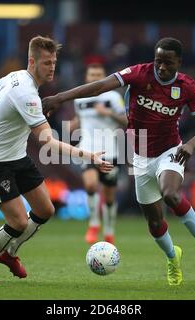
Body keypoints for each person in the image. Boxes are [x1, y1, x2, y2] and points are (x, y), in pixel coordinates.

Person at [43, 37, 195, 286]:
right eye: (158, 61)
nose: (161, 67)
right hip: (140, 156)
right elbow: (99, 87)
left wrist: (191, 145)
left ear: (179, 63)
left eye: (167, 63)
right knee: (154, 222)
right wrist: (59, 97)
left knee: (170, 194)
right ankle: (173, 257)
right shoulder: (140, 73)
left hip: (170, 151)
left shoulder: (188, 87)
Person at [0, 36, 113, 284]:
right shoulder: (27, 94)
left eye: (53, 62)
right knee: (18, 221)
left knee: (45, 209)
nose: (52, 67)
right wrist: (90, 156)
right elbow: (48, 142)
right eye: (46, 63)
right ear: (32, 62)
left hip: (17, 156)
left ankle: (9, 253)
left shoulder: (16, 76)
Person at [68, 64, 127, 244]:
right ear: (86, 78)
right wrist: (71, 125)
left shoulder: (113, 97)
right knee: (91, 185)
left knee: (109, 197)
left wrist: (108, 112)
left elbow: (126, 121)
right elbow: (81, 118)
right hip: (87, 149)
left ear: (104, 77)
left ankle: (109, 230)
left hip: (110, 150)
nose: (94, 78)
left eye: (98, 75)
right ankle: (94, 224)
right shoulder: (79, 99)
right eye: (91, 74)